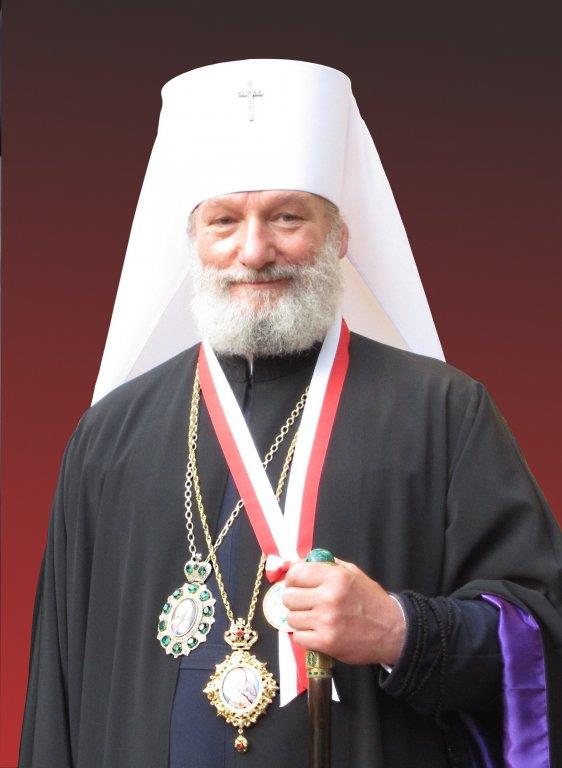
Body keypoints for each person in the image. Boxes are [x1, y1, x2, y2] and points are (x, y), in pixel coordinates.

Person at [19, 59, 562, 768]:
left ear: (339, 236)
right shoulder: (107, 438)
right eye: (224, 222)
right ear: (193, 242)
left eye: (286, 217)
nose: (254, 252)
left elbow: (541, 635)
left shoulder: (444, 412)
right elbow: (57, 696)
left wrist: (400, 630)